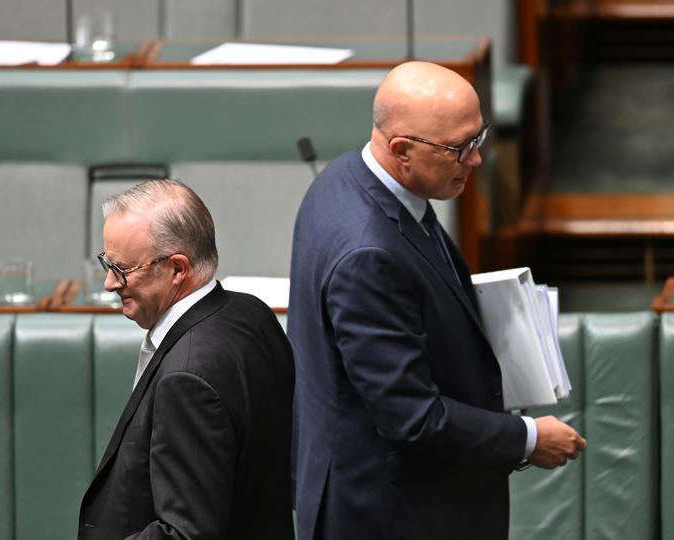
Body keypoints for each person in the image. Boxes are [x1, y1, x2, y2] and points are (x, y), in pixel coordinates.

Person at [288, 61, 586, 540]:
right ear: (401, 149)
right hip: (389, 513)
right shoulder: (368, 253)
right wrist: (527, 440)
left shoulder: (345, 177)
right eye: (459, 148)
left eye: (478, 137)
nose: (476, 160)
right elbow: (412, 417)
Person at [78, 179, 295, 540]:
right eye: (107, 263)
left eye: (123, 269)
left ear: (177, 269)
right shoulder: (252, 314)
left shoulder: (187, 378)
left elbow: (185, 533)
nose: (109, 284)